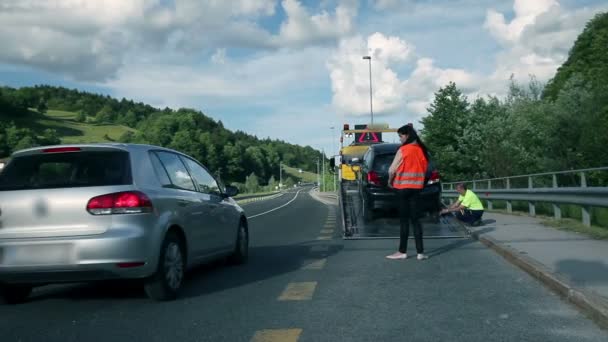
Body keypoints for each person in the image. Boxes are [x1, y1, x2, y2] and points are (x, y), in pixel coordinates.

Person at [386, 124, 429, 261]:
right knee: (416, 221)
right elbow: (425, 169)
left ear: (407, 135)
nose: (400, 139)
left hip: (402, 189)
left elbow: (392, 170)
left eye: (401, 136)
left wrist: (390, 181)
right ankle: (420, 253)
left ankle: (402, 252)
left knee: (404, 221)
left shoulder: (403, 150)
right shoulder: (421, 150)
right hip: (416, 189)